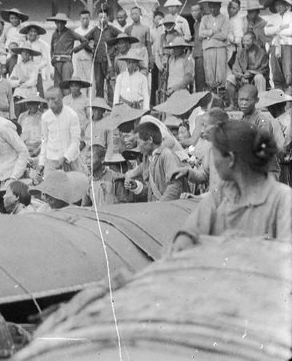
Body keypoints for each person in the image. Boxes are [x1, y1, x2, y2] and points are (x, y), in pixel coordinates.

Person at [172, 120, 291, 253]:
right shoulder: (221, 194)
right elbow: (188, 233)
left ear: (231, 158)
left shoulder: (283, 200)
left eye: (214, 155)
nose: (214, 162)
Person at [125, 121, 189, 202]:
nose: (138, 146)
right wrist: (137, 187)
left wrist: (160, 207)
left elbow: (175, 187)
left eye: (139, 141)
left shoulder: (167, 155)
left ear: (150, 140)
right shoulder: (151, 159)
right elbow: (153, 192)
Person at [36, 85, 83, 178]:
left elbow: (75, 141)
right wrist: (41, 162)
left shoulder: (72, 115)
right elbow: (44, 141)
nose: (50, 103)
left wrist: (65, 157)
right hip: (51, 160)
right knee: (50, 189)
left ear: (61, 98)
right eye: (48, 99)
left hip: (70, 161)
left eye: (53, 99)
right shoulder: (45, 117)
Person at [80, 9, 121, 98]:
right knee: (99, 84)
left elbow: (122, 36)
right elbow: (83, 40)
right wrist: (91, 49)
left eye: (104, 17)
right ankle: (100, 109)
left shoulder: (112, 29)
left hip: (109, 61)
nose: (102, 19)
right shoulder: (94, 30)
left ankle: (111, 107)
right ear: (97, 18)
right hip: (98, 61)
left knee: (110, 83)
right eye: (100, 17)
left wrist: (116, 49)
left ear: (108, 18)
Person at [226, 31, 268, 108]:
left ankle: (261, 105)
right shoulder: (240, 52)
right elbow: (235, 68)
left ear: (254, 41)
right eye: (244, 41)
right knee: (230, 78)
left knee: (259, 77)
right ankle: (232, 104)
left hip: (254, 80)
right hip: (242, 79)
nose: (245, 43)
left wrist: (251, 73)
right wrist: (241, 76)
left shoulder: (262, 53)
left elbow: (264, 69)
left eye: (247, 41)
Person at [199, 0, 230, 91]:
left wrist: (209, 36)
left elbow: (224, 35)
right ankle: (212, 95)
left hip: (220, 48)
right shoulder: (205, 18)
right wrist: (212, 32)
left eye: (215, 7)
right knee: (209, 73)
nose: (212, 9)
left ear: (219, 7)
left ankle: (221, 94)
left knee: (220, 73)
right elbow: (201, 33)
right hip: (208, 48)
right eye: (210, 7)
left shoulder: (224, 18)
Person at [263, 0, 292, 91]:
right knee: (276, 73)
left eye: (280, 4)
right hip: (276, 46)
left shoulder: (290, 16)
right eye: (276, 5)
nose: (278, 7)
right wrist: (280, 28)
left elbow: (290, 31)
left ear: (285, 5)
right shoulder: (273, 18)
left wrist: (277, 31)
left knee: (288, 72)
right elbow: (266, 31)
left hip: (288, 46)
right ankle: (280, 99)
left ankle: (289, 100)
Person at [20, 21, 51, 96]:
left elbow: (45, 60)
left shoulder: (41, 45)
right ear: (27, 32)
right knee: (26, 89)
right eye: (31, 31)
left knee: (38, 90)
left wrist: (37, 67)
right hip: (25, 72)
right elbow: (19, 59)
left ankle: (39, 105)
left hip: (37, 71)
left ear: (37, 34)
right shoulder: (23, 44)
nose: (33, 34)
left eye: (35, 32)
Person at [48, 13, 78, 86]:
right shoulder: (54, 34)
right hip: (57, 62)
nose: (59, 25)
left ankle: (68, 97)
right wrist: (52, 60)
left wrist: (74, 49)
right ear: (55, 22)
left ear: (65, 23)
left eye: (61, 23)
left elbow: (84, 40)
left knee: (66, 85)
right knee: (57, 86)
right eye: (57, 22)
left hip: (66, 62)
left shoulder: (70, 32)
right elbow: (52, 48)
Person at [72, 10, 94, 82]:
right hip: (79, 61)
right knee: (81, 83)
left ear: (90, 18)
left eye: (87, 18)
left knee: (90, 82)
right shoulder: (76, 31)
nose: (85, 21)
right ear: (80, 19)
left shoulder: (93, 30)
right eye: (83, 19)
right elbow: (75, 48)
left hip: (89, 60)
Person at [190, 3, 206, 91]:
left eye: (196, 10)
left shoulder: (205, 22)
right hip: (196, 54)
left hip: (203, 54)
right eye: (192, 11)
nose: (194, 13)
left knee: (201, 80)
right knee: (197, 79)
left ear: (202, 11)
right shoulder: (195, 24)